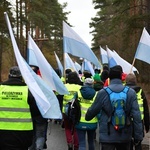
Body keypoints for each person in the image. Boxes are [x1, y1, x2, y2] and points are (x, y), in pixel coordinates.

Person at [85, 65, 143, 150]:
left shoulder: (103, 92)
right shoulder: (131, 93)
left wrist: (88, 116)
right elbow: (137, 116)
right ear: (121, 77)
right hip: (125, 134)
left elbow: (92, 111)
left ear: (109, 78)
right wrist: (138, 136)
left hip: (107, 135)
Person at [0, 66, 38, 150]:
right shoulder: (28, 91)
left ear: (9, 76)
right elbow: (35, 112)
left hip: (2, 132)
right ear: (21, 77)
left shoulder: (1, 89)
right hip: (23, 133)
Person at [125, 73, 149, 150]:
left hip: (126, 122)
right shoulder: (140, 91)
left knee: (128, 144)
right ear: (135, 81)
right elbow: (146, 110)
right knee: (138, 143)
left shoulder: (123, 91)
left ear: (126, 81)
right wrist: (147, 125)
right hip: (139, 122)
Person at [29, 65, 48, 150]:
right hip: (41, 113)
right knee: (40, 134)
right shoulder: (43, 83)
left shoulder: (27, 83)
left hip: (30, 113)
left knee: (32, 133)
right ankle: (39, 148)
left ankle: (32, 148)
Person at [75, 78, 98, 150]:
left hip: (80, 121)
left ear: (84, 84)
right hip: (92, 122)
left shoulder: (78, 93)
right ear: (92, 85)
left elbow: (73, 105)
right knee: (91, 142)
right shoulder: (96, 94)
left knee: (82, 143)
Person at [63, 71, 82, 150]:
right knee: (75, 129)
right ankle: (76, 146)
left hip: (66, 111)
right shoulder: (80, 87)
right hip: (76, 111)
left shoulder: (64, 86)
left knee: (67, 128)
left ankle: (70, 143)